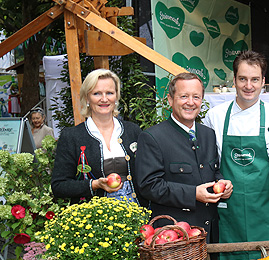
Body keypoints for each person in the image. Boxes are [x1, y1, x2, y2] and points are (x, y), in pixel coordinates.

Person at [204, 50, 269, 260]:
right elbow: (209, 164)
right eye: (243, 79)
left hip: (267, 209)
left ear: (263, 81)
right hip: (229, 212)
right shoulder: (215, 116)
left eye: (254, 79)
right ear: (234, 80)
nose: (248, 86)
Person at [135, 73, 232, 243]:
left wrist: (222, 184)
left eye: (196, 97)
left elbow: (213, 171)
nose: (190, 102)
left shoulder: (208, 134)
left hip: (210, 233)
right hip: (175, 238)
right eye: (184, 96)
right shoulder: (152, 137)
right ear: (170, 100)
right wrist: (193, 194)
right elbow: (149, 186)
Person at [51, 69, 143, 205]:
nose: (104, 99)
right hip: (93, 220)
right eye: (97, 93)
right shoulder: (72, 136)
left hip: (136, 214)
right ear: (87, 97)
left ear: (116, 96)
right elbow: (59, 186)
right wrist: (94, 185)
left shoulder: (133, 131)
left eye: (110, 93)